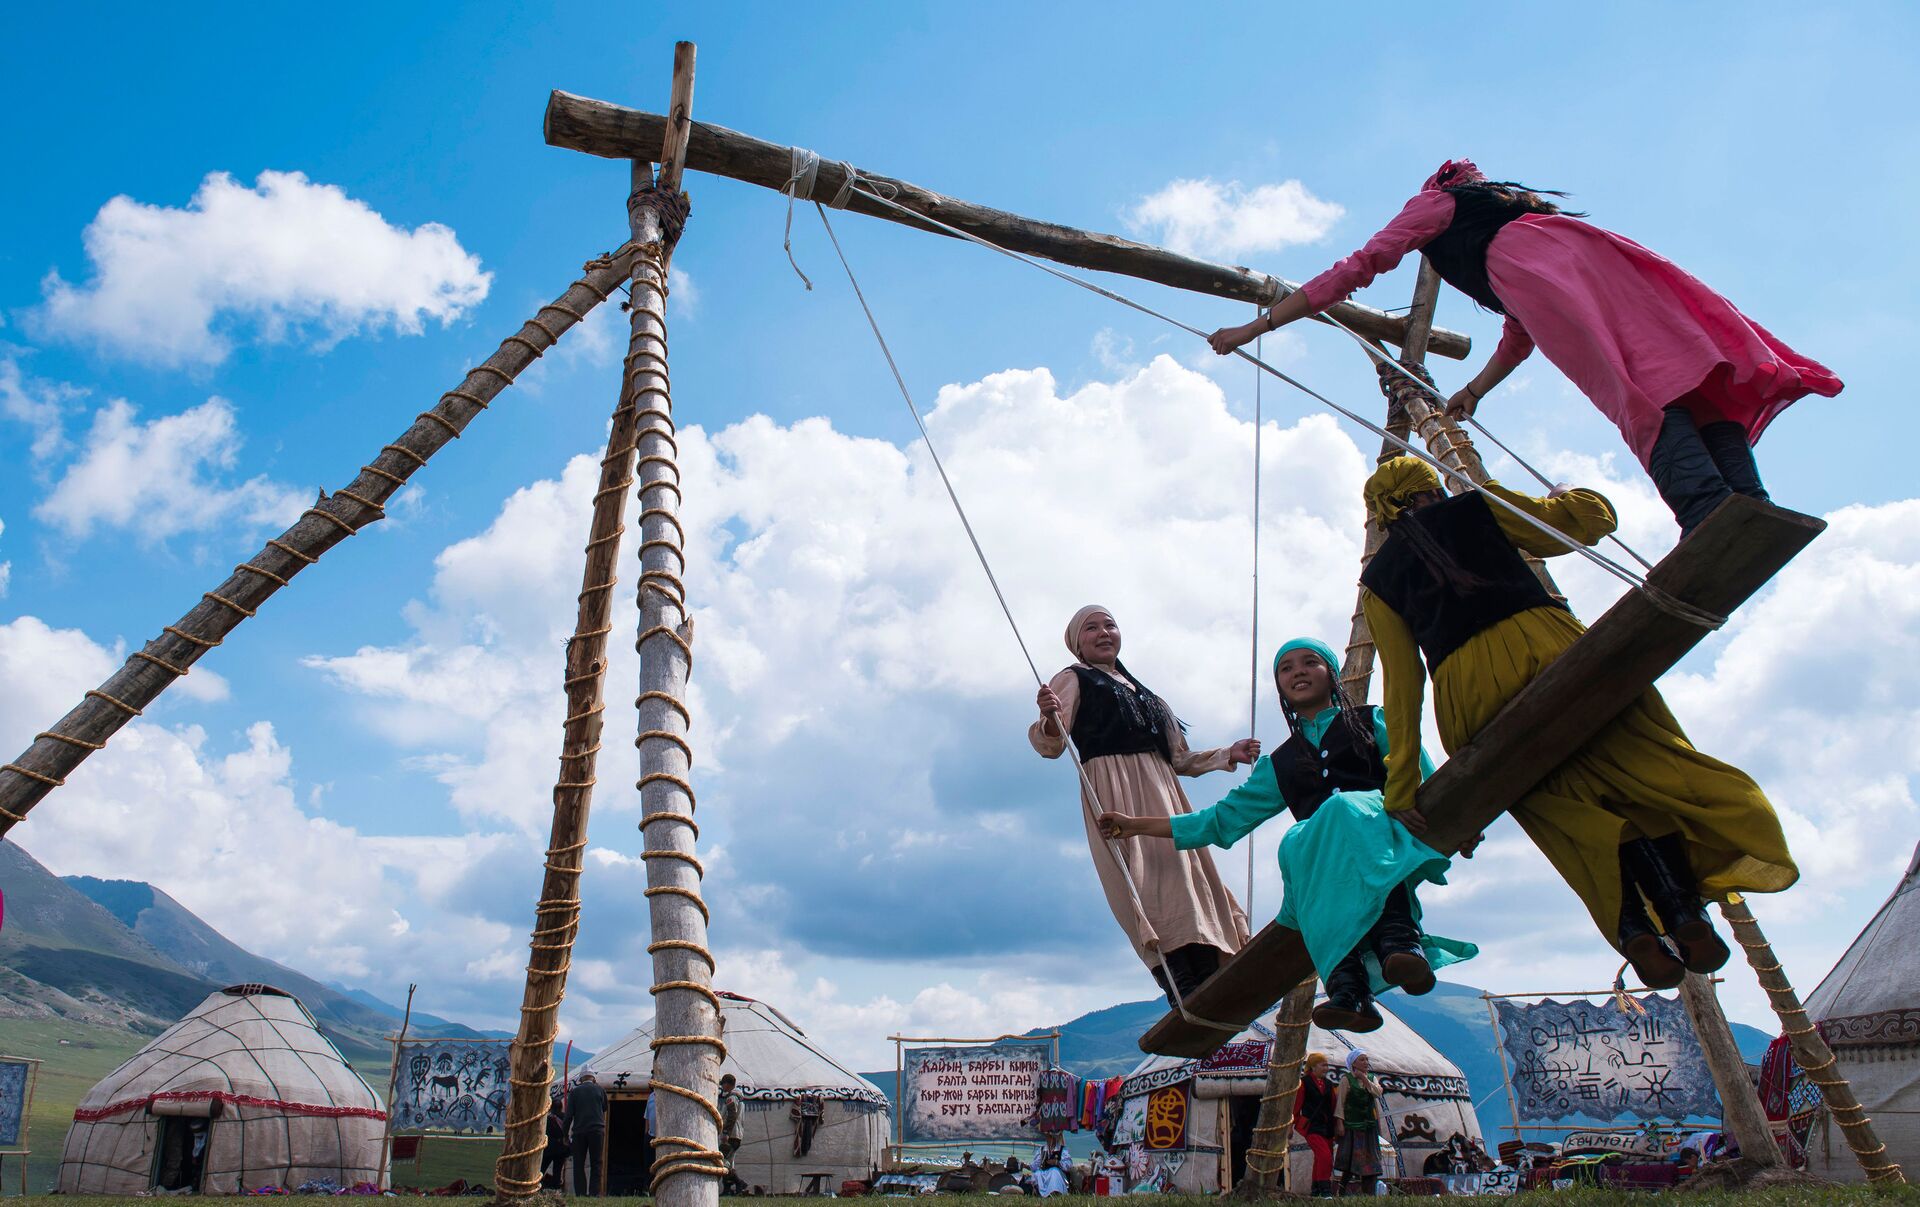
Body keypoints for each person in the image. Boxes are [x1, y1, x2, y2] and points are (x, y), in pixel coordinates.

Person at [1207, 160, 1841, 534]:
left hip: (1550, 274)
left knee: (1638, 393)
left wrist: (1254, 329)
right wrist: (1474, 392)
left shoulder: (1439, 204)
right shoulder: (1520, 213)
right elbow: (1521, 329)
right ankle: (1746, 504)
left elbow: (1360, 266)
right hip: (1607, 263)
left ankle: (1710, 515)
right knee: (1680, 374)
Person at [1356, 457, 1797, 987]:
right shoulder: (1479, 505)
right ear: (1432, 489)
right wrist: (1571, 492)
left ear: (1381, 513)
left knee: (1566, 816)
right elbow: (1585, 524)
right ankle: (1682, 913)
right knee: (1642, 776)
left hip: (1469, 697)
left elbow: (1402, 687)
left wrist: (1402, 785)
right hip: (1550, 651)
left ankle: (1634, 928)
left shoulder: (1378, 581)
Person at [1098, 636, 1477, 1032]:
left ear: (1331, 674)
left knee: (1340, 808)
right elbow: (1219, 821)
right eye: (1286, 667)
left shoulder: (1371, 721)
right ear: (1279, 687)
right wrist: (1134, 825)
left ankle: (1400, 942)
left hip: (1382, 836)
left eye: (1309, 662)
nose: (1297, 671)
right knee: (1294, 843)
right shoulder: (1280, 763)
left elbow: (1419, 770)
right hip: (1326, 868)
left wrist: (1462, 822)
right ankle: (1349, 991)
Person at [1031, 604, 1256, 1004]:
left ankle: (1207, 967)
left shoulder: (1145, 693)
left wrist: (1228, 754)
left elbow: (1180, 757)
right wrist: (1049, 716)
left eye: (1110, 625)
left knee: (1187, 876)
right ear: (1076, 643)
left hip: (1164, 791)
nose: (1103, 633)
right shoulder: (1073, 678)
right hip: (1116, 789)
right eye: (1091, 628)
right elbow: (1053, 740)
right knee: (1146, 880)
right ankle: (1178, 979)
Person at [1333, 1050, 1386, 1196]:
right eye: (1362, 1060)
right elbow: (1340, 1103)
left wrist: (1363, 1078)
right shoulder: (1346, 1079)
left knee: (1372, 1162)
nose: (1366, 1062)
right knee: (1351, 1163)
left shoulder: (1371, 1078)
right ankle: (1341, 1192)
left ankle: (1369, 1194)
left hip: (1369, 1126)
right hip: (1352, 1127)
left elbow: (1377, 1093)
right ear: (1353, 1063)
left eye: (1366, 1059)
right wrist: (1339, 1123)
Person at [1293, 1052, 1340, 1196]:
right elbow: (1297, 1106)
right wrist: (1291, 1125)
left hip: (1327, 1126)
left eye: (1327, 1065)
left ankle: (1315, 1190)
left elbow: (1333, 1105)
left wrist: (1337, 1125)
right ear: (1313, 1066)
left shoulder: (1328, 1084)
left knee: (1322, 1158)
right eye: (1323, 1065)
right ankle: (1326, 1191)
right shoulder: (1304, 1083)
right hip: (1312, 1126)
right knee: (1324, 1156)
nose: (1326, 1068)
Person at [567, 1070, 607, 1197]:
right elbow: (604, 1107)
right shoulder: (600, 1090)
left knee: (578, 1163)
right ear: (594, 1078)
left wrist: (564, 1134)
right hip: (597, 1130)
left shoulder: (574, 1092)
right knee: (597, 1162)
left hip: (579, 1131)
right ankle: (594, 1193)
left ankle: (581, 1193)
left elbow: (568, 1116)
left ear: (581, 1079)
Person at [718, 1074, 748, 1196]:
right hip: (737, 1134)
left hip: (732, 1135)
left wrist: (725, 1132)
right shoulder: (739, 1098)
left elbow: (731, 1116)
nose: (722, 1087)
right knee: (729, 1162)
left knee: (722, 1160)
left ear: (727, 1084)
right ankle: (727, 1189)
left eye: (723, 1084)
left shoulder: (732, 1098)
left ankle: (739, 1182)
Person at [541, 1092, 570, 1190]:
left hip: (549, 1148)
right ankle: (556, 1189)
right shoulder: (565, 1117)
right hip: (561, 1148)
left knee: (542, 1169)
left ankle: (538, 1186)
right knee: (557, 1170)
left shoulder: (547, 1118)